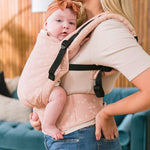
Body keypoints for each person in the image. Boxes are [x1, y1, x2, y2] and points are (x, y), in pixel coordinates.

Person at [29, 0, 150, 150]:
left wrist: (107, 112)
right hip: (65, 138)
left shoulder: (108, 29)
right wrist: (43, 115)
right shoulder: (76, 26)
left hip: (82, 138)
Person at [18, 0, 87, 140]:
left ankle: (38, 114)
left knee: (48, 96)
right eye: (59, 20)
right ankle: (48, 125)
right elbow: (66, 55)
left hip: (34, 86)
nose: (65, 26)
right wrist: (80, 42)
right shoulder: (48, 42)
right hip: (32, 87)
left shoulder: (51, 40)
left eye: (71, 23)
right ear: (46, 25)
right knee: (59, 94)